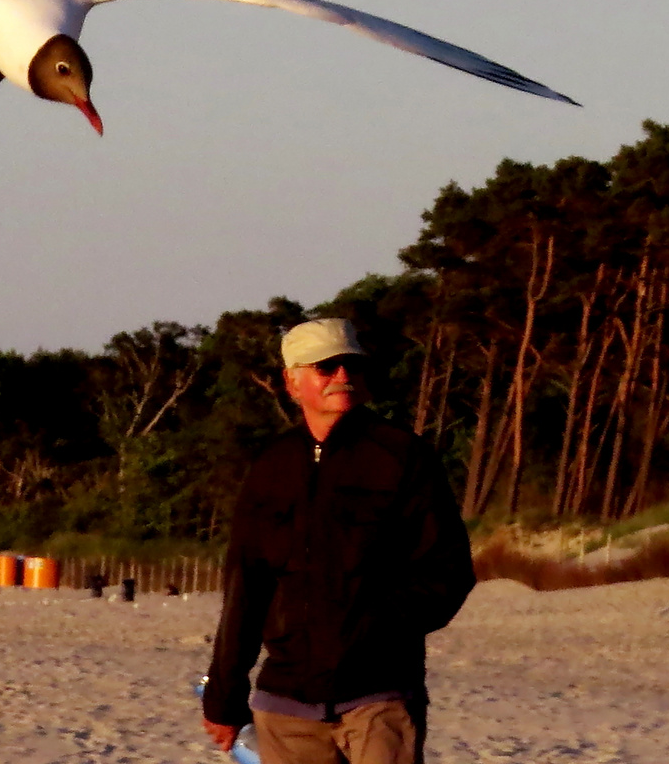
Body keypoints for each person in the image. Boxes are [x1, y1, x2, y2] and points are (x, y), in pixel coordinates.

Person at [202, 319, 474, 764]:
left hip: (379, 697)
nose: (342, 377)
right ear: (292, 380)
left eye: (352, 366)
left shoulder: (403, 456)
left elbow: (448, 570)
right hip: (285, 705)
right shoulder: (271, 465)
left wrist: (376, 626)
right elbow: (245, 588)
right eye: (326, 367)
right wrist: (223, 698)